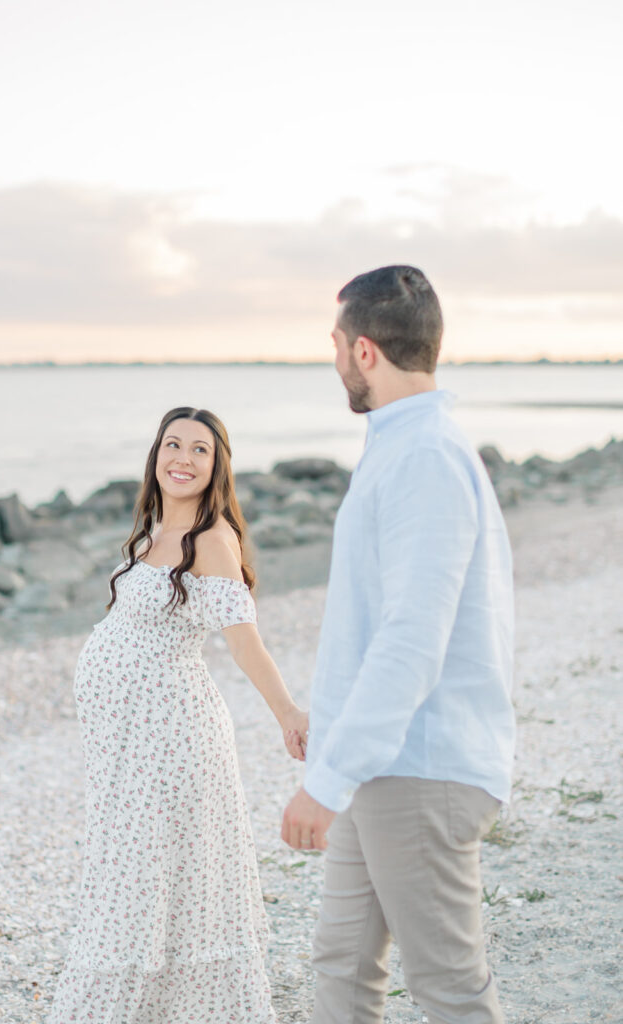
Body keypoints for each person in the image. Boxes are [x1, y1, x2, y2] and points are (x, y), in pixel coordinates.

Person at [282, 266, 515, 1023]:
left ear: (366, 352)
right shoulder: (400, 446)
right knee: (343, 969)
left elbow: (413, 638)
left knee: (449, 990)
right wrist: (338, 742)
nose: (336, 360)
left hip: (418, 768)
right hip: (377, 766)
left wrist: (328, 777)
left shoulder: (423, 457)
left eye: (337, 344)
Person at [49, 406, 308, 1024]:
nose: (183, 460)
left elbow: (246, 644)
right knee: (138, 870)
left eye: (199, 450)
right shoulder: (149, 532)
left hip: (171, 738)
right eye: (173, 445)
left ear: (217, 466)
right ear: (156, 456)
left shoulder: (213, 540)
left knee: (146, 877)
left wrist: (288, 712)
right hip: (125, 743)